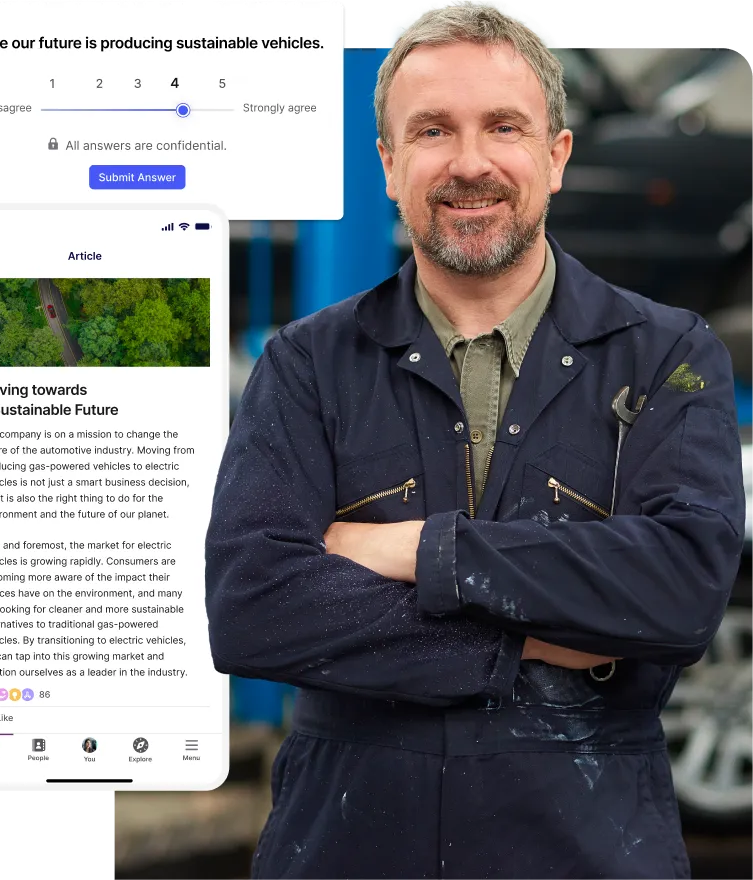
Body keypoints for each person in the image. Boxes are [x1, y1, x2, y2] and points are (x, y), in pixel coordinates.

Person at [205, 2, 745, 877]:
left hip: (585, 854)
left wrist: (421, 550)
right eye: (431, 130)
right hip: (347, 850)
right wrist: (527, 639)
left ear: (555, 156)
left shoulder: (667, 357)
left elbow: (678, 590)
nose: (468, 163)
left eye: (503, 126)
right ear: (389, 164)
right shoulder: (308, 365)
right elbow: (253, 609)